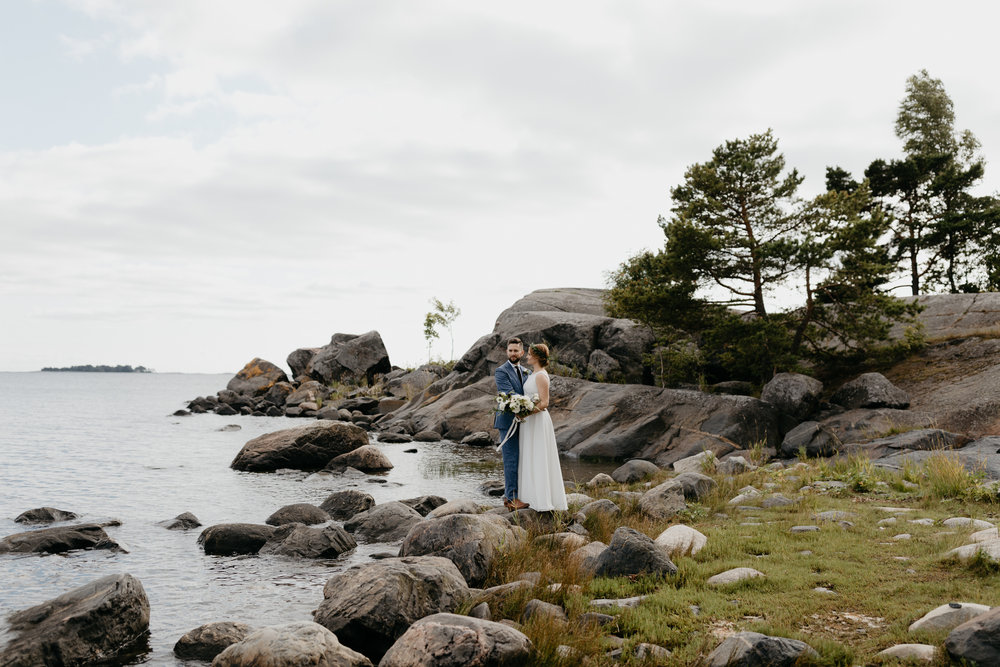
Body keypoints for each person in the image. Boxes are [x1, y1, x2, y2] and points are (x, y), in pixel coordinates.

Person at [517, 343, 568, 512]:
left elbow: (545, 403)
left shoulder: (541, 376)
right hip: (530, 421)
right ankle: (530, 497)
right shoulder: (533, 374)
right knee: (530, 455)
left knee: (538, 456)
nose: (527, 356)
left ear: (537, 357)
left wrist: (525, 413)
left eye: (530, 354)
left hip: (537, 420)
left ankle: (542, 500)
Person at [494, 337, 531, 510]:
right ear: (507, 352)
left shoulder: (526, 372)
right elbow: (508, 394)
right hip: (508, 420)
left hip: (524, 421)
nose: (513, 353)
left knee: (523, 459)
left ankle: (519, 495)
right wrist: (524, 408)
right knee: (511, 459)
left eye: (516, 351)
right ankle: (511, 498)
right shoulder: (501, 371)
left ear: (522, 352)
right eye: (510, 350)